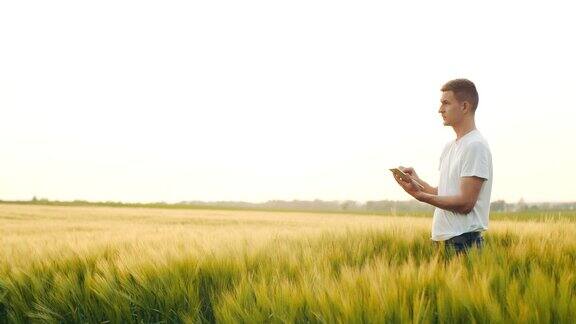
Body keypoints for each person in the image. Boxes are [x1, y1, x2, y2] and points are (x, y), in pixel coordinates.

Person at [392, 78, 493, 256]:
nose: (440, 110)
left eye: (446, 103)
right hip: (443, 240)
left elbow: (465, 203)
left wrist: (422, 197)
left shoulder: (475, 145)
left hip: (464, 242)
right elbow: (444, 193)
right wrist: (417, 183)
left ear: (464, 107)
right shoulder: (450, 147)